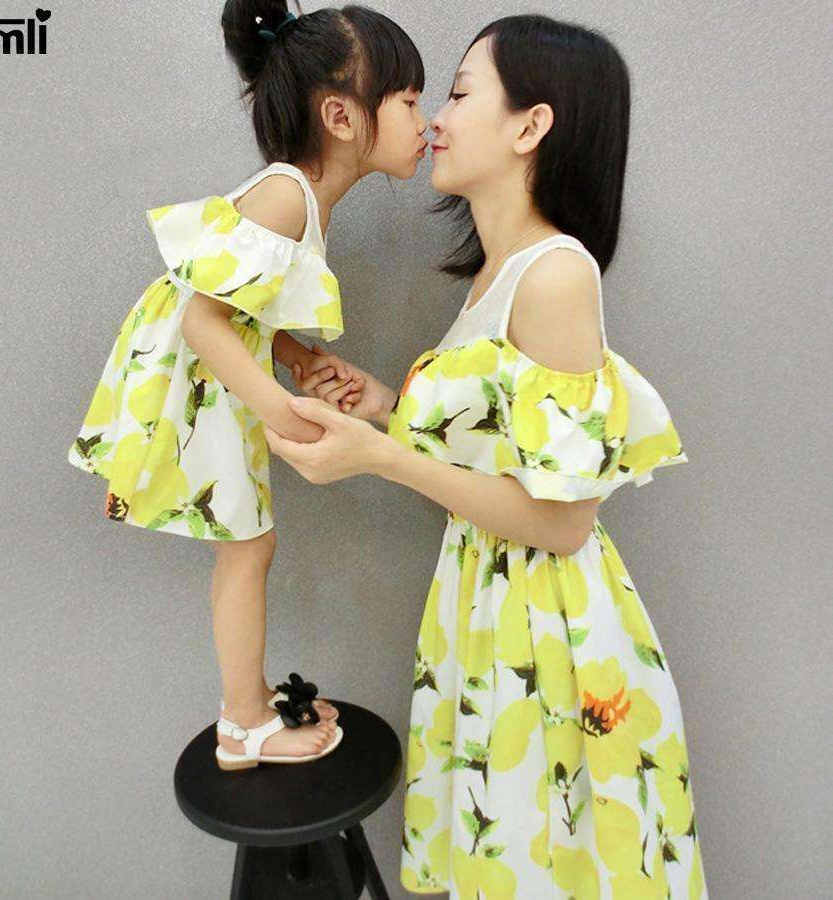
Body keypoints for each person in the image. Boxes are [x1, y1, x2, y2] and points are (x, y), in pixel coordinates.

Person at [269, 13, 708, 897]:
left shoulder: (556, 274)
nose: (436, 116)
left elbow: (563, 520)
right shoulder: (497, 274)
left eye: (461, 93)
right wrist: (387, 408)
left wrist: (381, 457)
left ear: (530, 126)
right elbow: (497, 462)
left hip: (548, 634)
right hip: (489, 611)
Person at [66, 0, 429, 772]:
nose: (424, 121)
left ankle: (250, 701)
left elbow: (238, 306)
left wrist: (293, 357)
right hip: (195, 378)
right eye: (408, 100)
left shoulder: (304, 198)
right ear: (341, 116)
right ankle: (242, 724)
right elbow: (202, 319)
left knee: (247, 545)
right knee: (249, 546)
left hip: (208, 377)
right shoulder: (289, 195)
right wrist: (278, 405)